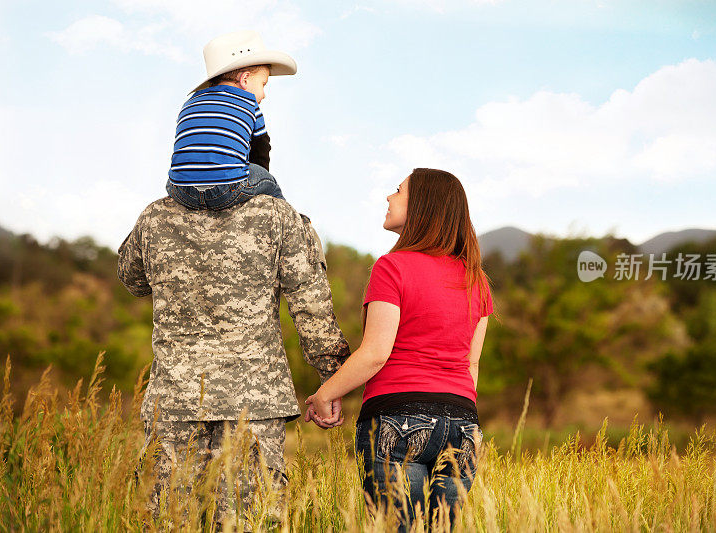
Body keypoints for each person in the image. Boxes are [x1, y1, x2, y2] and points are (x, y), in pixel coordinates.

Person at [117, 193, 349, 529]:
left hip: (174, 402)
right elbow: (311, 309)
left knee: (168, 522)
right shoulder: (278, 215)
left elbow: (131, 278)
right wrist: (334, 380)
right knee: (247, 522)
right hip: (253, 405)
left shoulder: (156, 215)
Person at [305, 168, 493, 531]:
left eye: (398, 191)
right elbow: (472, 365)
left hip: (398, 417)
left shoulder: (392, 267)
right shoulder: (476, 279)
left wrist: (325, 393)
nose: (389, 198)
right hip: (463, 425)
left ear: (423, 205)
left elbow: (376, 352)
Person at [166, 30, 297, 210]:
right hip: (226, 191)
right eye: (263, 84)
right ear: (245, 79)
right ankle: (288, 217)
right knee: (268, 181)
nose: (264, 94)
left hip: (181, 192)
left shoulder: (190, 102)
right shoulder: (249, 103)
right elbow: (261, 150)